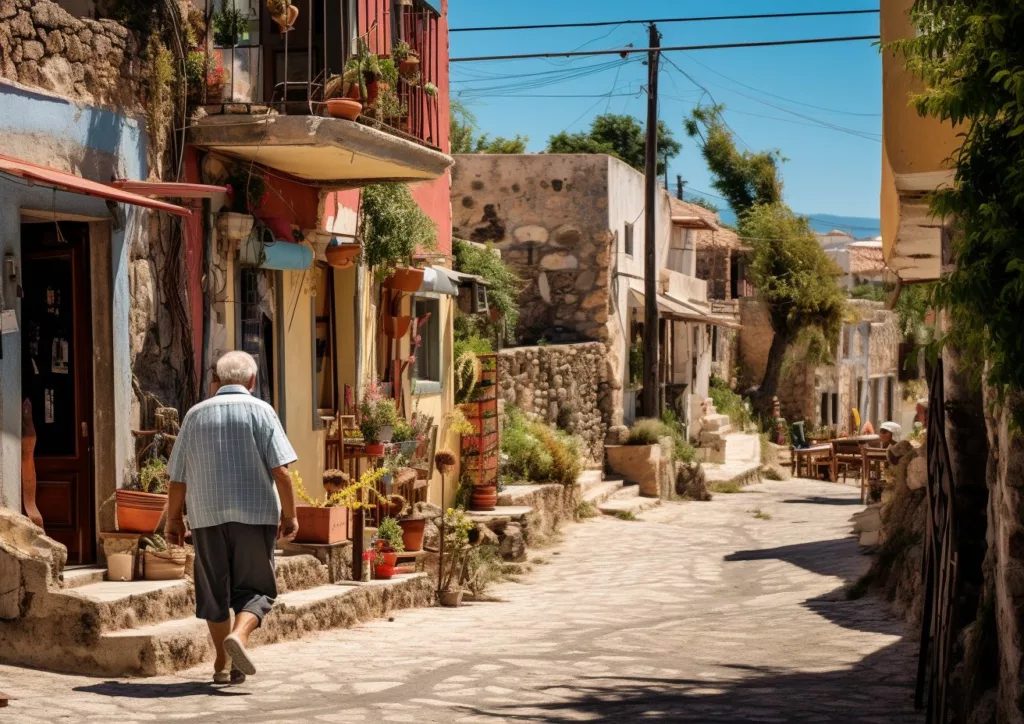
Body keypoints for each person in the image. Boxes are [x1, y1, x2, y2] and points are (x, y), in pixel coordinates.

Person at [165, 351, 299, 685]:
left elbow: (177, 477)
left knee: (213, 592)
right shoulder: (262, 411)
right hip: (255, 516)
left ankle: (223, 665)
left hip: (206, 517)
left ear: (219, 380)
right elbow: (281, 472)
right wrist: (291, 515)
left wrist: (173, 521)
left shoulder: (195, 415)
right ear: (252, 381)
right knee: (257, 591)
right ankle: (239, 637)